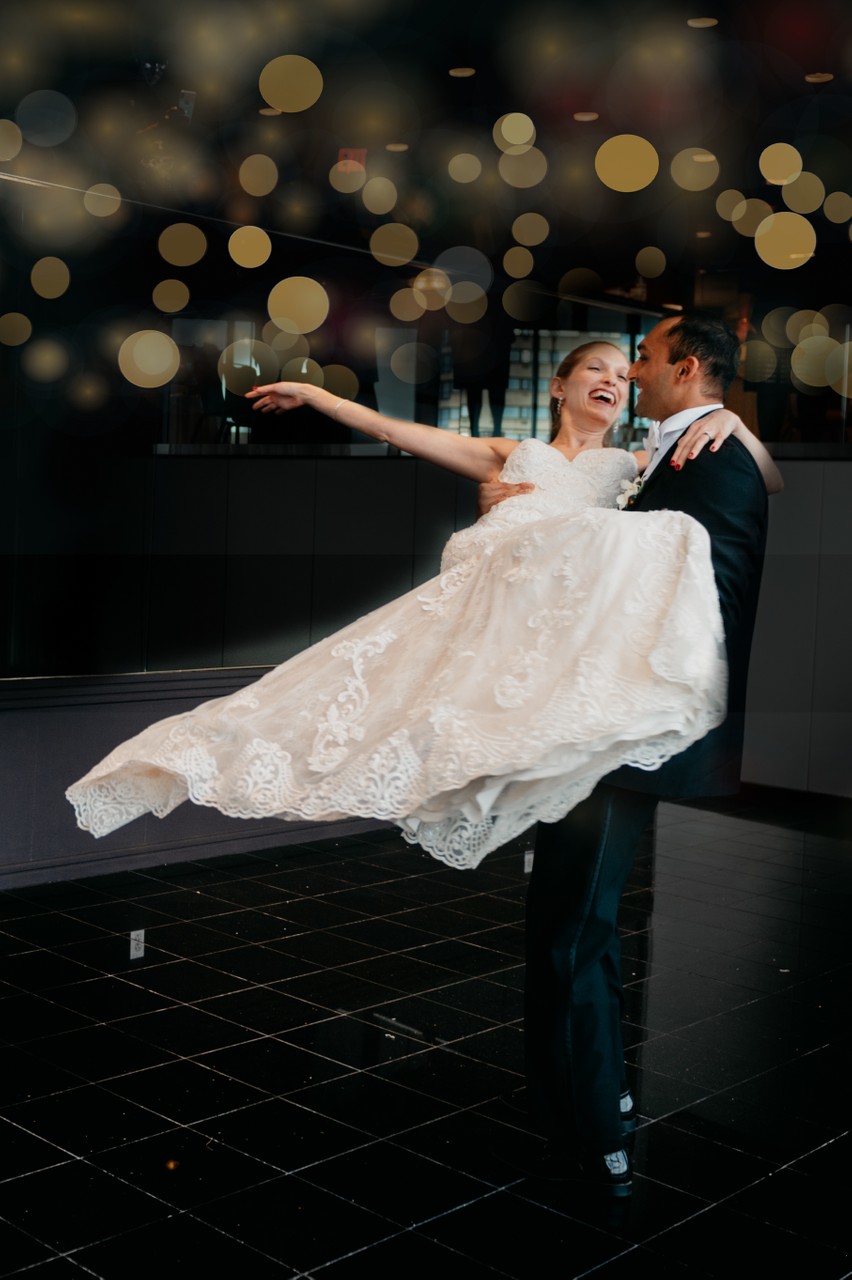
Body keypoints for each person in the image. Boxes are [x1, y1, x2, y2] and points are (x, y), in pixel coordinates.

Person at [66, 334, 779, 883]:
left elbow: (736, 492)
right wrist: (319, 399)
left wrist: (737, 427)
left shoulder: (635, 469)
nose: (615, 382)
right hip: (484, 619)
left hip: (556, 653)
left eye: (625, 376)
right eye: (598, 369)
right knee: (346, 692)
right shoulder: (515, 453)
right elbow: (399, 434)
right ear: (560, 385)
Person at [509, 314, 774, 1199]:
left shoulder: (717, 455)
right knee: (575, 928)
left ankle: (595, 1135)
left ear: (686, 368)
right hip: (599, 727)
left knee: (570, 936)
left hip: (632, 733)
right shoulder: (670, 452)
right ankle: (591, 1098)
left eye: (647, 360)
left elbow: (713, 591)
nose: (633, 372)